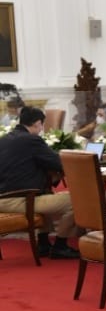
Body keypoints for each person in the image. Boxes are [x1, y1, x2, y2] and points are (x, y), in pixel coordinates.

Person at [0, 106, 80, 258]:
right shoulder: (31, 140)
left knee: (45, 191)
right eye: (41, 125)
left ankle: (43, 244)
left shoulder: (3, 140)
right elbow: (59, 164)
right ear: (38, 123)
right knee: (78, 199)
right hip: (18, 200)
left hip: (3, 198)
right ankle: (60, 245)